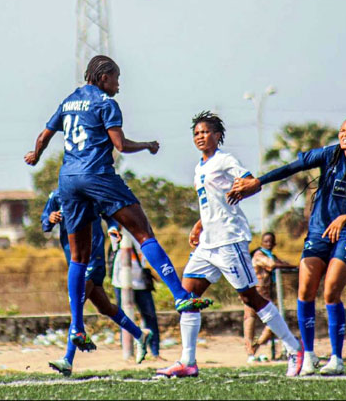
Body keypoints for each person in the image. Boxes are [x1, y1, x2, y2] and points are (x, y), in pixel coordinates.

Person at [24, 55, 211, 352]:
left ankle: (77, 327)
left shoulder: (69, 101)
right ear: (103, 78)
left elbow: (44, 135)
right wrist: (147, 145)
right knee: (143, 233)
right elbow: (120, 145)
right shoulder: (106, 103)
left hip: (68, 180)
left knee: (78, 258)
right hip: (97, 175)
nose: (119, 85)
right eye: (116, 78)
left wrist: (35, 155)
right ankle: (180, 295)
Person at [228, 116, 346, 376]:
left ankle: (336, 359)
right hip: (319, 230)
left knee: (331, 291)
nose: (345, 134)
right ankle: (309, 355)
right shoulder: (329, 154)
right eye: (342, 130)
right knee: (305, 289)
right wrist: (258, 181)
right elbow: (291, 168)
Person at [157, 111, 304, 378]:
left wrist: (245, 188)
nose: (200, 137)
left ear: (217, 135)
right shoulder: (199, 167)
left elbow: (252, 182)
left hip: (229, 240)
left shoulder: (225, 160)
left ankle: (294, 348)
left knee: (250, 297)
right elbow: (211, 203)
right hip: (207, 244)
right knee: (187, 297)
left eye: (205, 132)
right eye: (196, 133)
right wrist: (200, 225)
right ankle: (188, 362)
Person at [41, 188, 152, 376]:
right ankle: (140, 334)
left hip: (93, 256)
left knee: (77, 302)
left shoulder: (91, 190)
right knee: (105, 307)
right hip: (73, 259)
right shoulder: (57, 195)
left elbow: (110, 216)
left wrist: (112, 228)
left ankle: (68, 359)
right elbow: (45, 220)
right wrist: (50, 218)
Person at [109, 225, 161, 359]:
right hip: (121, 282)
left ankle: (155, 352)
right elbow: (113, 231)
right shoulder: (116, 230)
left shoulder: (143, 231)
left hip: (141, 282)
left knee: (150, 316)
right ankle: (128, 351)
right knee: (124, 317)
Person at [244, 232, 296, 363]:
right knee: (250, 319)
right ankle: (250, 351)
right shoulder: (259, 255)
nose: (268, 244)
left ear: (274, 244)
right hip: (254, 291)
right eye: (266, 241)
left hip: (265, 294)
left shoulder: (271, 255)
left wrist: (288, 264)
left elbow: (278, 262)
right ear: (261, 242)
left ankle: (256, 346)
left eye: (270, 242)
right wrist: (293, 266)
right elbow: (272, 264)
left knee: (273, 320)